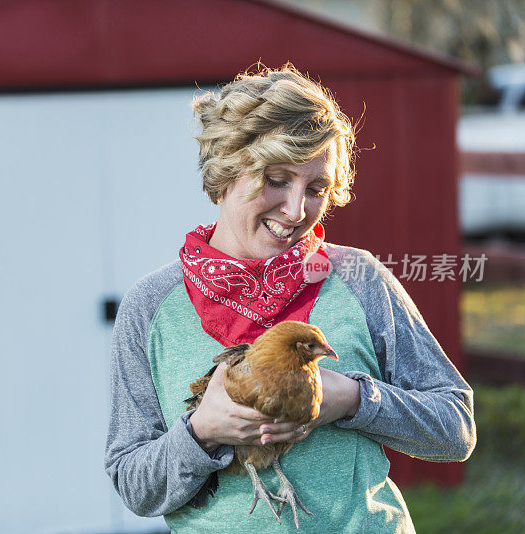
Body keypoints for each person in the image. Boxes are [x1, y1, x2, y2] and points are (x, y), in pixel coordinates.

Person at [104, 64, 476, 533]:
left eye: (316, 188)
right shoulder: (151, 308)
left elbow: (455, 429)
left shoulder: (358, 279)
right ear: (226, 171)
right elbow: (133, 485)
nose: (297, 210)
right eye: (277, 180)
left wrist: (353, 399)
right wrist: (200, 434)